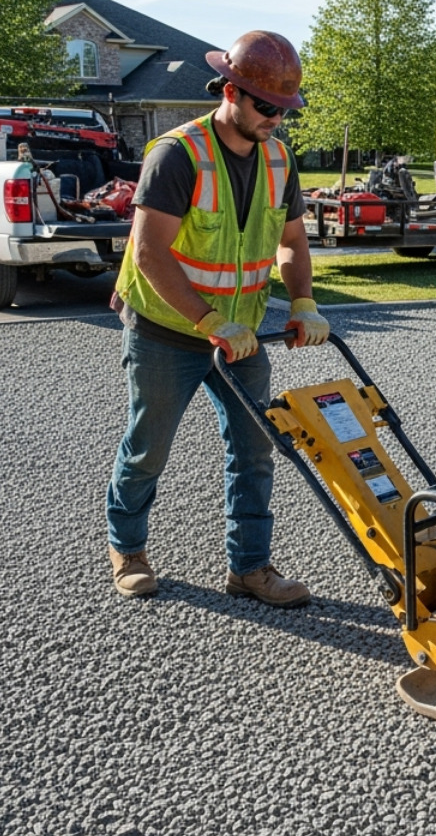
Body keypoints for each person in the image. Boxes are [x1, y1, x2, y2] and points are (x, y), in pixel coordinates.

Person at [104, 31, 331, 605]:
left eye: (284, 109)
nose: (276, 119)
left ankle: (249, 568)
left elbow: (292, 243)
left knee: (255, 451)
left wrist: (303, 302)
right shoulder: (177, 155)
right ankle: (128, 549)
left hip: (242, 333)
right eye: (266, 106)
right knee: (148, 448)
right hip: (167, 329)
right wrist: (208, 322)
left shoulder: (279, 159)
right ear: (230, 91)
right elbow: (149, 252)